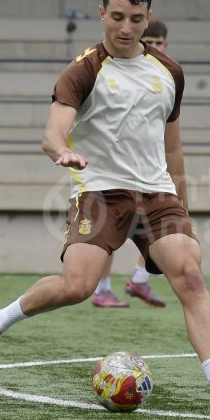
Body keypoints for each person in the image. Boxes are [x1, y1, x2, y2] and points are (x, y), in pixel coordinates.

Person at [0, 0, 210, 414]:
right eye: (117, 17)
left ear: (147, 17)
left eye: (135, 18)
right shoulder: (85, 70)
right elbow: (51, 134)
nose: (126, 27)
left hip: (157, 194)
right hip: (100, 192)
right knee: (78, 286)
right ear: (102, 15)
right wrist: (63, 152)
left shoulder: (170, 72)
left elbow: (173, 146)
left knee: (190, 276)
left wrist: (182, 203)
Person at [92, 19, 170, 309]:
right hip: (111, 169)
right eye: (153, 41)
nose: (157, 47)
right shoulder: (108, 69)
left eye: (161, 42)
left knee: (164, 229)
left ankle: (138, 279)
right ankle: (102, 288)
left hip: (151, 170)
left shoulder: (165, 75)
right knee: (111, 231)